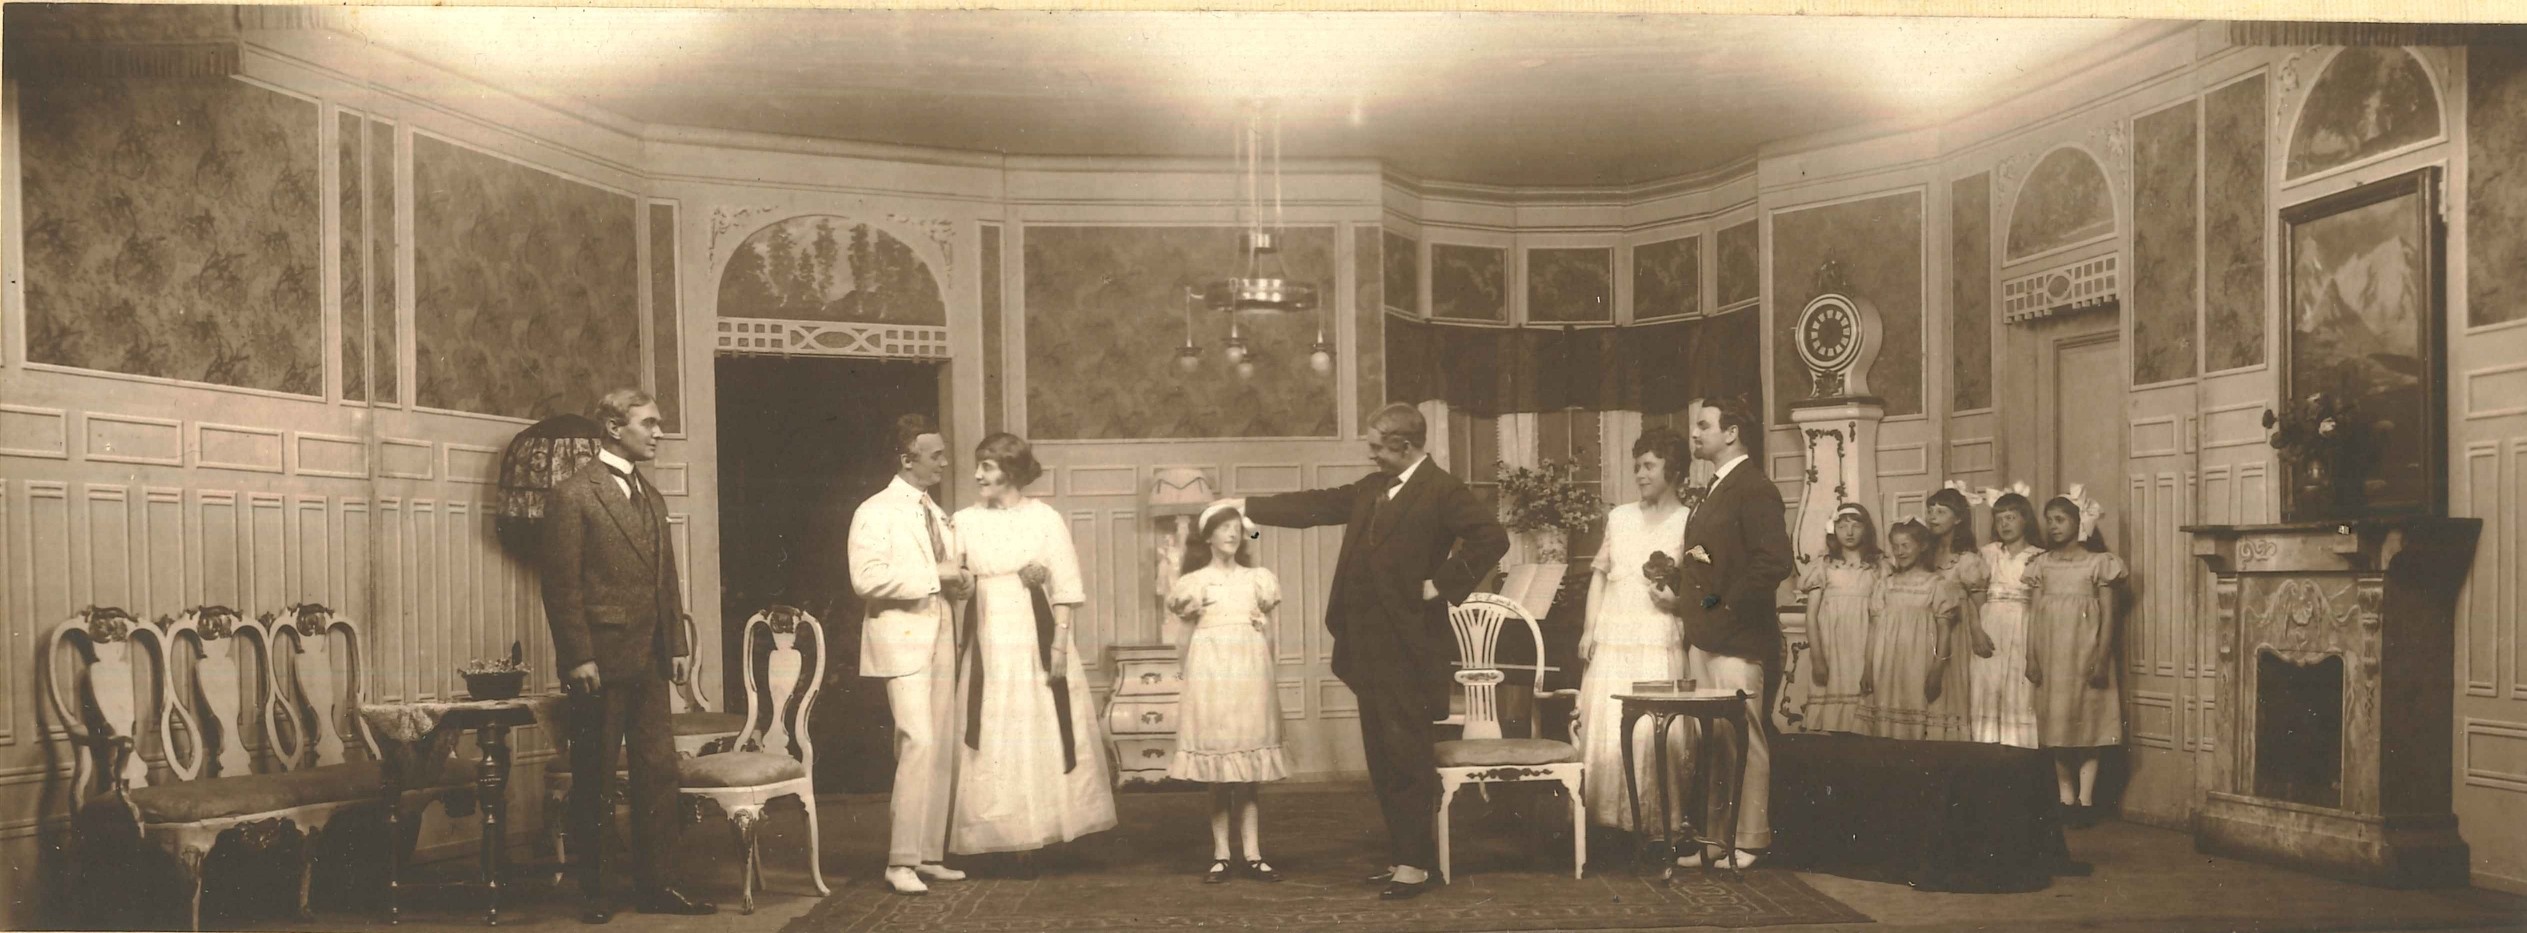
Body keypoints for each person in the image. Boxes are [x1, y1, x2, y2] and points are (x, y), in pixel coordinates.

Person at [1214, 402, 1508, 900]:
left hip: (1409, 648)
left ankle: (1415, 865)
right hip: (1368, 646)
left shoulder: (1442, 489)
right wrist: (1245, 504)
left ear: (1404, 445)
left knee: (1406, 755)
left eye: (1377, 447)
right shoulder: (1372, 488)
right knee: (1383, 758)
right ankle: (1404, 856)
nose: (1371, 454)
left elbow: (1492, 537)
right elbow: (1318, 506)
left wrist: (1441, 584)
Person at [538, 388, 717, 923]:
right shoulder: (573, 494)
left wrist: (676, 645)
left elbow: (667, 579)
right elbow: (561, 587)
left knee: (657, 774)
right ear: (614, 428)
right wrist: (578, 657)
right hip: (599, 661)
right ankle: (596, 893)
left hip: (651, 660)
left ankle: (659, 886)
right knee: (594, 775)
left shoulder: (652, 497)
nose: (659, 433)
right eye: (649, 423)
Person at [947, 433, 1116, 870]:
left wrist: (1059, 643)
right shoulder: (964, 521)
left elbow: (1067, 586)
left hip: (1034, 633)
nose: (977, 474)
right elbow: (954, 579)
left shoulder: (1044, 518)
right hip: (988, 635)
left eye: (987, 466)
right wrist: (965, 582)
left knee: (1038, 722)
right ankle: (1000, 833)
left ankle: (1042, 828)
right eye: (978, 465)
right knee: (993, 725)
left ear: (1011, 470)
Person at [1653, 395, 1794, 871]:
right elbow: (1711, 560)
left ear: (1731, 433)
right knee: (1715, 741)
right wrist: (1684, 592)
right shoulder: (1715, 489)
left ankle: (1749, 839)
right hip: (1707, 635)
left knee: (1742, 737)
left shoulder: (1754, 488)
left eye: (1703, 426)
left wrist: (1725, 608)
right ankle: (1717, 840)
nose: (1694, 434)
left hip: (1738, 638)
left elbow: (1773, 562)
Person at [849, 413, 976, 896]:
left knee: (939, 744)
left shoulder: (935, 512)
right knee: (918, 741)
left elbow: (945, 575)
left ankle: (927, 855)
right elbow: (866, 579)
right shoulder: (875, 511)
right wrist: (936, 576)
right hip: (900, 640)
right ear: (907, 459)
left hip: (941, 636)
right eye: (935, 455)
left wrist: (960, 582)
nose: (945, 462)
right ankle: (900, 861)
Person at [1575, 427, 1694, 836]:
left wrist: (1678, 602)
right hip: (1614, 632)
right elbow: (1599, 575)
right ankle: (1607, 820)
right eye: (1637, 467)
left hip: (1656, 633)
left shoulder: (1689, 522)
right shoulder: (1620, 517)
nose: (1640, 474)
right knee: (1608, 724)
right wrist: (1589, 630)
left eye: (1649, 466)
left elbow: (1705, 583)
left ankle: (1653, 821)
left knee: (1651, 729)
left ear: (1672, 470)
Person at [1165, 503, 1291, 883]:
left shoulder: (1257, 580)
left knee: (1248, 770)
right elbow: (1184, 639)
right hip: (1212, 678)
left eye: (1237, 527)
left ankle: (1253, 854)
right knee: (1219, 770)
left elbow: (1269, 638)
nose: (1233, 534)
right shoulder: (1195, 583)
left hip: (1250, 679)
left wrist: (1263, 641)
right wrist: (1189, 677)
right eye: (1224, 528)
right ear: (1208, 537)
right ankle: (1221, 854)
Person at [2026, 486, 2126, 822]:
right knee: (2057, 725)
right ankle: (2065, 797)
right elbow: (2034, 616)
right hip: (2052, 656)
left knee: (2088, 723)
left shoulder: (2099, 563)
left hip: (2084, 654)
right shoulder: (2041, 565)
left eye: (2061, 520)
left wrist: (2101, 659)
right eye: (2049, 520)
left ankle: (2085, 800)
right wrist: (2031, 657)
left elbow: (2109, 617)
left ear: (2078, 522)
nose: (2054, 526)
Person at [1857, 519, 1970, 742]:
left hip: (1920, 664)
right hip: (1888, 665)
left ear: (1923, 546)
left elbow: (1944, 633)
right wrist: (1868, 668)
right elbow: (1873, 630)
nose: (1900, 552)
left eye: (1906, 545)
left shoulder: (1936, 584)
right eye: (1895, 546)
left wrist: (1937, 670)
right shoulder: (1885, 584)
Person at [1797, 502, 1881, 734]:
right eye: (1843, 526)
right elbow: (1811, 617)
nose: (1849, 532)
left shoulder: (1878, 567)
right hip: (1832, 647)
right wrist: (1817, 658)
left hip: (1866, 645)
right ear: (1834, 530)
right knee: (1831, 726)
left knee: (1865, 720)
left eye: (1856, 526)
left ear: (1866, 529)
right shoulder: (1823, 566)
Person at [1972, 486, 2043, 748]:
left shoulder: (2037, 556)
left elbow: (2040, 605)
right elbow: (1971, 595)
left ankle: (2018, 752)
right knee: (1988, 687)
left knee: (2019, 691)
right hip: (1990, 625)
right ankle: (1987, 750)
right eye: (1999, 519)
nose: (2004, 524)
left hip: (2022, 627)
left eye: (2011, 518)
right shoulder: (1987, 554)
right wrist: (1977, 630)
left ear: (2026, 520)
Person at [1924, 484, 1994, 708]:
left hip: (1956, 632)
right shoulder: (1924, 555)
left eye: (1941, 512)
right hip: (1926, 630)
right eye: (1930, 511)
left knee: (1949, 689)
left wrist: (1977, 631)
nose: (1933, 517)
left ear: (1958, 519)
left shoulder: (1967, 560)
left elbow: (1980, 605)